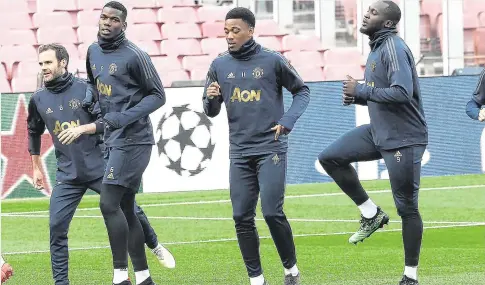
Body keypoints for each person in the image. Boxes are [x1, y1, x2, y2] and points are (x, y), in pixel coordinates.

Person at [28, 44, 173, 285]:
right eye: (41, 63)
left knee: (131, 210)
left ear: (62, 62)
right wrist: (35, 166)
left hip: (100, 167)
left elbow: (108, 122)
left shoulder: (87, 89)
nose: (44, 68)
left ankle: (154, 244)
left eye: (48, 63)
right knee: (56, 227)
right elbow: (33, 131)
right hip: (68, 174)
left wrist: (84, 129)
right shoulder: (39, 98)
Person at [317, 1, 427, 284]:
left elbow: (403, 92)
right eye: (367, 10)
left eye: (374, 12)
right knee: (330, 157)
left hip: (403, 137)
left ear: (388, 23)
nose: (366, 14)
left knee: (407, 208)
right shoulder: (378, 48)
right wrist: (360, 96)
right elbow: (384, 93)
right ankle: (371, 213)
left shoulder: (393, 47)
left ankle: (410, 276)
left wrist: (362, 89)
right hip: (380, 131)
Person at [202, 7, 310, 285]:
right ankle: (256, 279)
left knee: (272, 212)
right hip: (239, 152)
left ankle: (291, 270)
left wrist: (288, 120)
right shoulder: (219, 65)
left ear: (251, 30)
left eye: (235, 30)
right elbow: (211, 111)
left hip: (270, 147)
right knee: (241, 216)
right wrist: (211, 99)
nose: (229, 36)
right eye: (226, 31)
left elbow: (302, 90)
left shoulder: (273, 60)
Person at [84, 2, 166, 284]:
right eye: (104, 17)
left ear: (124, 25)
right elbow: (94, 86)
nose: (107, 22)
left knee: (108, 203)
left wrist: (122, 118)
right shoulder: (93, 51)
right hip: (111, 140)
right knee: (127, 208)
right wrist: (90, 100)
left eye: (114, 19)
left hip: (135, 140)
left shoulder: (135, 56)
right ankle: (143, 277)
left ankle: (120, 276)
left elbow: (158, 95)